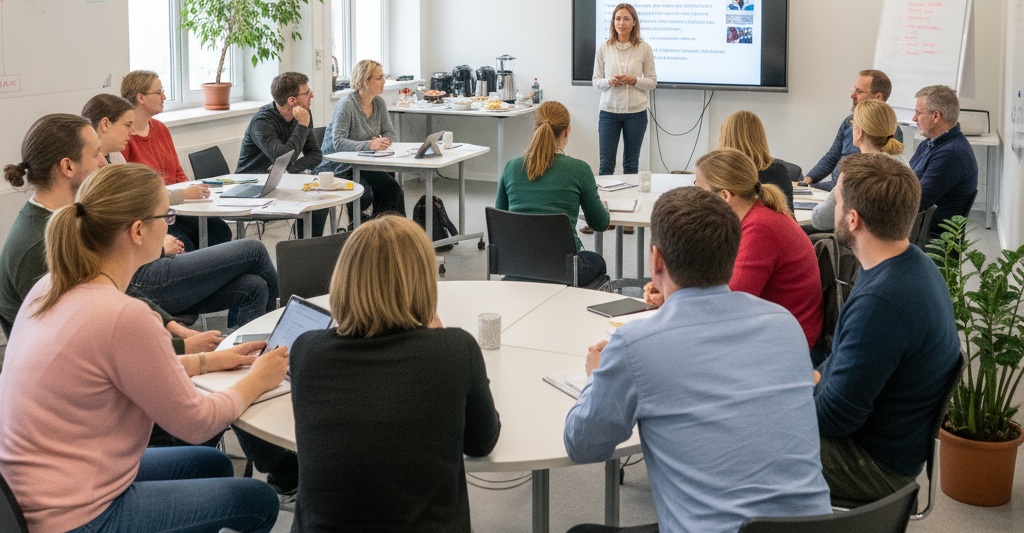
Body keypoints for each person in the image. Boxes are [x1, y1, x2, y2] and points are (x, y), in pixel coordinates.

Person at [0, 163, 289, 532]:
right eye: (166, 216)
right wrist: (258, 380)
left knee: (211, 465)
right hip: (76, 515)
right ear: (138, 230)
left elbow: (126, 370)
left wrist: (209, 360)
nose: (170, 224)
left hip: (29, 492)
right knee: (258, 500)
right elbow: (197, 423)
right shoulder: (124, 316)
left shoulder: (51, 285)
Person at [563, 186, 831, 533]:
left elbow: (582, 445)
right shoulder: (785, 325)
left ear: (656, 260)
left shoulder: (636, 345)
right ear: (733, 255)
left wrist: (595, 379)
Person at [289, 215, 501, 531]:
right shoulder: (455, 349)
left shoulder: (306, 351)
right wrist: (441, 340)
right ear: (422, 282)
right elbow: (481, 442)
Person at [0, 113, 219, 355]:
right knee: (251, 253)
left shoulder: (70, 218)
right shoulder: (39, 246)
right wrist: (183, 349)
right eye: (95, 155)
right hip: (74, 376)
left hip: (95, 357)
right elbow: (89, 339)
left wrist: (172, 325)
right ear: (68, 166)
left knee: (251, 284)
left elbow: (113, 287)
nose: (103, 163)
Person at [816, 152, 961, 501]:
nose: (831, 210)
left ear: (852, 219)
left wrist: (781, 399)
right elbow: (840, 365)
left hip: (876, 466)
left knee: (742, 435)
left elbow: (836, 419)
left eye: (835, 201)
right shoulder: (914, 263)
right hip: (889, 442)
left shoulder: (881, 302)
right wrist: (811, 379)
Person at [80, 95, 280, 330]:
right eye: (126, 125)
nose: (132, 131)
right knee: (252, 249)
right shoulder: (92, 174)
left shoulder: (114, 158)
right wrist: (158, 245)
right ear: (105, 124)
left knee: (254, 286)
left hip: (147, 258)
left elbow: (139, 209)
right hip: (139, 273)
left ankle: (248, 353)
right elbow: (120, 231)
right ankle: (286, 324)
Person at [645, 148, 823, 349]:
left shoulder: (760, 228)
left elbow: (727, 303)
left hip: (782, 345)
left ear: (724, 196)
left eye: (699, 188)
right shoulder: (755, 216)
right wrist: (673, 287)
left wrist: (674, 295)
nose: (694, 195)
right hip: (775, 330)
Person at [495, 101, 610, 286]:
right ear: (566, 131)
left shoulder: (512, 167)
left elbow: (500, 218)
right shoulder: (579, 169)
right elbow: (600, 223)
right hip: (563, 268)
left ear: (535, 129)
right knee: (597, 262)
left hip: (516, 265)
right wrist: (605, 208)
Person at [121, 70, 232, 251]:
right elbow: (134, 194)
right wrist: (185, 194)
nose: (164, 96)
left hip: (177, 208)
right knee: (183, 245)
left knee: (219, 231)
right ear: (140, 98)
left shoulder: (160, 128)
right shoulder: (125, 139)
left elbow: (177, 171)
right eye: (158, 92)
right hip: (153, 214)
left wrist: (194, 193)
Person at [237, 71, 328, 237]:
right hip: (252, 185)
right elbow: (282, 158)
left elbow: (315, 155)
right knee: (308, 204)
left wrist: (287, 170)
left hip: (280, 181)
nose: (312, 95)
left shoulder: (303, 114)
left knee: (320, 204)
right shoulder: (262, 122)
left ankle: (305, 252)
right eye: (307, 92)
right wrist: (302, 125)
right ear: (292, 100)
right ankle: (298, 253)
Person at [315, 59, 406, 217]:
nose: (384, 81)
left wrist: (383, 141)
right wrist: (370, 145)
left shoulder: (379, 103)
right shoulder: (346, 105)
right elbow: (338, 142)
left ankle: (386, 234)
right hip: (339, 167)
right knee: (364, 196)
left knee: (393, 189)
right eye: (379, 78)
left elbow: (390, 133)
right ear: (365, 82)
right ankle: (367, 233)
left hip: (363, 164)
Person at [808, 99, 906, 233]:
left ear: (858, 132)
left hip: (858, 247)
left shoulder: (855, 172)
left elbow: (821, 220)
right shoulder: (903, 164)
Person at [803, 69, 902, 191]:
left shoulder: (890, 130)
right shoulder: (848, 121)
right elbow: (833, 156)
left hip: (853, 191)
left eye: (859, 91)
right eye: (853, 90)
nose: (852, 95)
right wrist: (810, 177)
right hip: (835, 187)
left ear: (878, 97)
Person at [593, 3, 656, 176]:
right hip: (608, 112)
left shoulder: (644, 48)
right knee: (606, 164)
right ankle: (604, 202)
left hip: (636, 114)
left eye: (626, 19)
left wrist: (633, 80)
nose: (622, 23)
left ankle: (631, 202)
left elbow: (652, 82)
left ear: (634, 22)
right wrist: (609, 81)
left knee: (631, 164)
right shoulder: (604, 47)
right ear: (613, 22)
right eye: (618, 18)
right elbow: (596, 81)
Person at [910, 85, 978, 235]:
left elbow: (914, 202)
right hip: (919, 228)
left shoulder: (951, 154)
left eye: (918, 113)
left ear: (936, 116)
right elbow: (906, 179)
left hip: (929, 238)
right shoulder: (930, 143)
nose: (914, 118)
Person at [718, 110, 794, 213]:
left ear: (725, 137)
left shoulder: (719, 173)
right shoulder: (778, 171)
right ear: (760, 137)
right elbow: (789, 215)